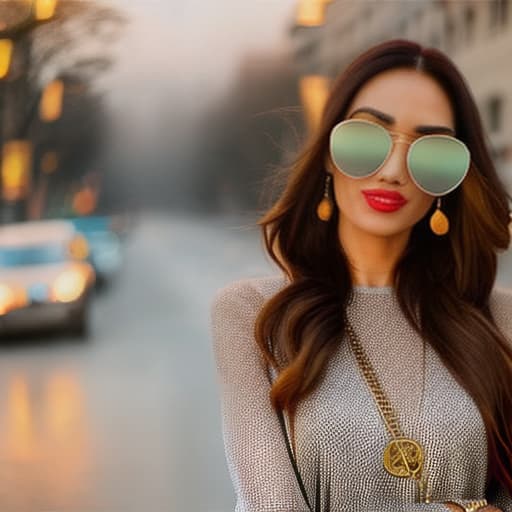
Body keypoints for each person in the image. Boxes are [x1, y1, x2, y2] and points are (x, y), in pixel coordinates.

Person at [209, 39, 512, 512]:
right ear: (329, 152)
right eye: (368, 136)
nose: (393, 170)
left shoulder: (500, 318)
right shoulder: (251, 315)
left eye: (431, 151)